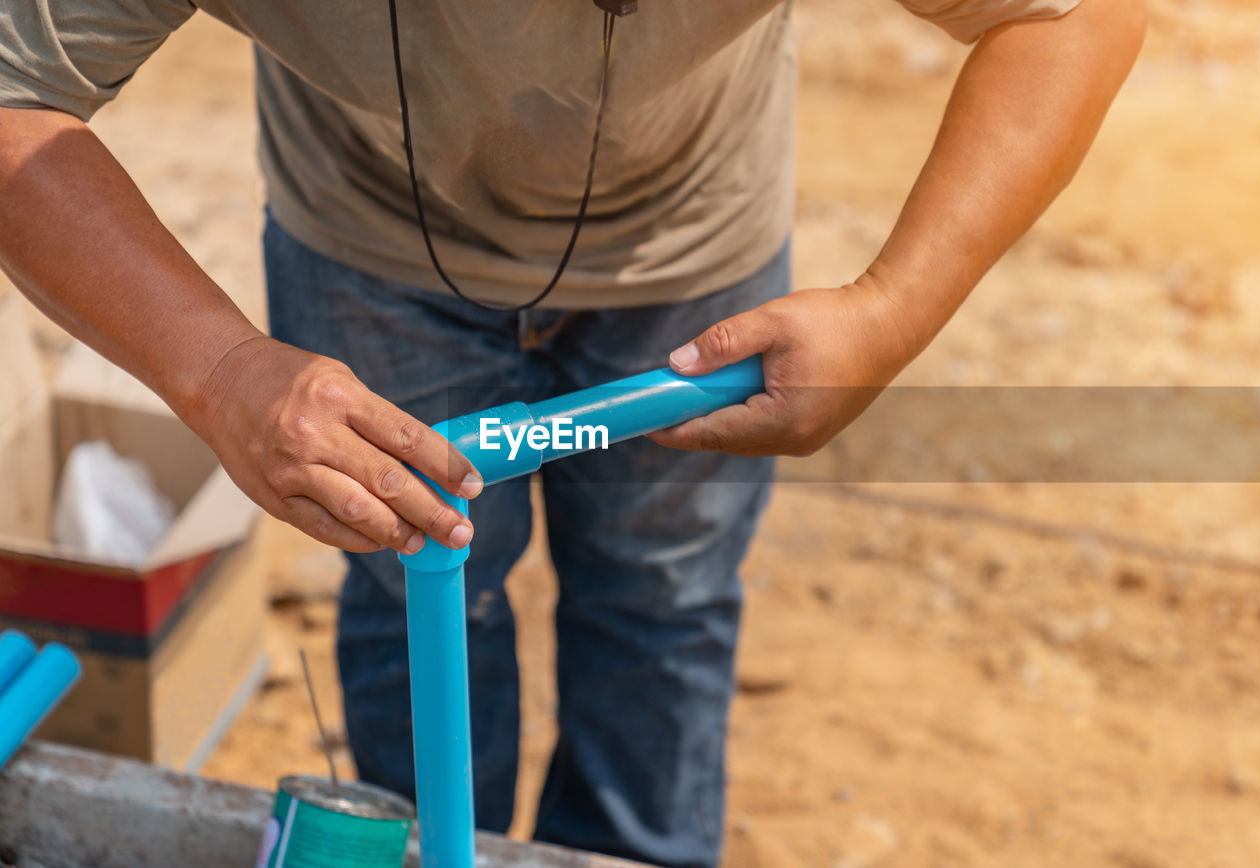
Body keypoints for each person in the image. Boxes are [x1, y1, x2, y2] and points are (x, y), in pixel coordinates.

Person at [0, 1, 1145, 865]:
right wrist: (220, 369)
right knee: (418, 592)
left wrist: (893, 309)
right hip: (366, 244)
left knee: (663, 594)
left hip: (691, 247)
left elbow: (1072, 15)